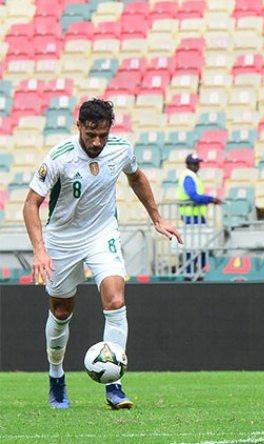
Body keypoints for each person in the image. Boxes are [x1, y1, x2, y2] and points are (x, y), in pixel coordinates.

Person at [22, 98, 183, 410]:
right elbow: (31, 203)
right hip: (62, 239)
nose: (96, 142)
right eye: (90, 134)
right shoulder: (59, 157)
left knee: (115, 301)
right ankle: (56, 376)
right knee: (61, 311)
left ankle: (114, 385)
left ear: (111, 130)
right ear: (79, 126)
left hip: (101, 234)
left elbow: (136, 177)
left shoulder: (121, 149)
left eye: (103, 135)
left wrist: (157, 218)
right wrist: (40, 250)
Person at [178, 153, 222, 225]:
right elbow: (194, 196)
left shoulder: (192, 176)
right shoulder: (188, 177)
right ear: (188, 165)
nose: (197, 166)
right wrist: (210, 199)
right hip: (190, 215)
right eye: (194, 164)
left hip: (195, 214)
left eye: (198, 163)